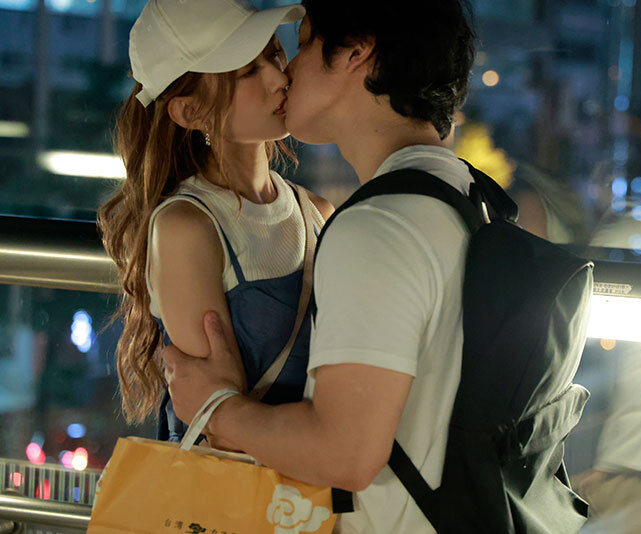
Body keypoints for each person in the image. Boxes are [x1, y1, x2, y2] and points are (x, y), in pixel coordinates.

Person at [161, 1, 486, 532]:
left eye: (303, 42)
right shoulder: (467, 196)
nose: (286, 71)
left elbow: (345, 455)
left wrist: (215, 408)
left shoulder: (376, 228)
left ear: (356, 53)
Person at [98, 0, 333, 441]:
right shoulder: (186, 227)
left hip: (313, 474)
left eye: (273, 54)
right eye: (246, 72)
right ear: (190, 112)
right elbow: (216, 423)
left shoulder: (318, 212)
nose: (278, 77)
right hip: (235, 480)